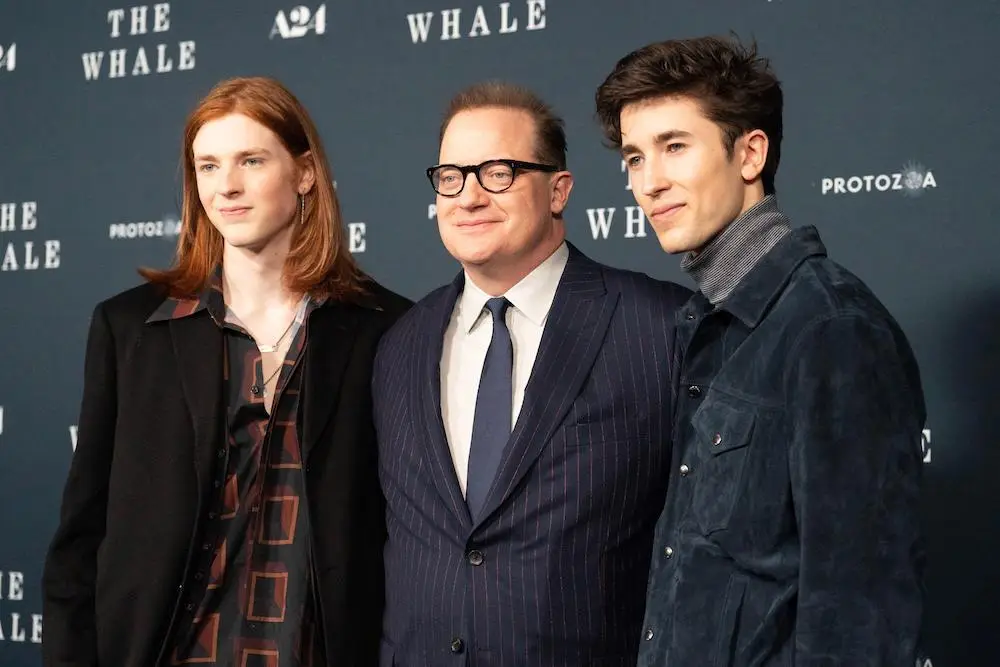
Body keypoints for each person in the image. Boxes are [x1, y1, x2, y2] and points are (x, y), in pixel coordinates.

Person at [41, 76, 410, 667]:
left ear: (305, 173)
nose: (226, 187)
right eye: (207, 166)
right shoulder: (132, 328)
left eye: (251, 161)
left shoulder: (385, 329)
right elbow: (82, 537)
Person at [595, 35, 927, 666]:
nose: (649, 183)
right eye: (635, 158)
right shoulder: (706, 320)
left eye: (674, 146)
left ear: (750, 153)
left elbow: (862, 613)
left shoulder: (830, 328)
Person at [372, 81, 691, 666]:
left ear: (558, 190)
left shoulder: (660, 327)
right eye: (451, 177)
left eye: (498, 173)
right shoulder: (399, 345)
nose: (468, 197)